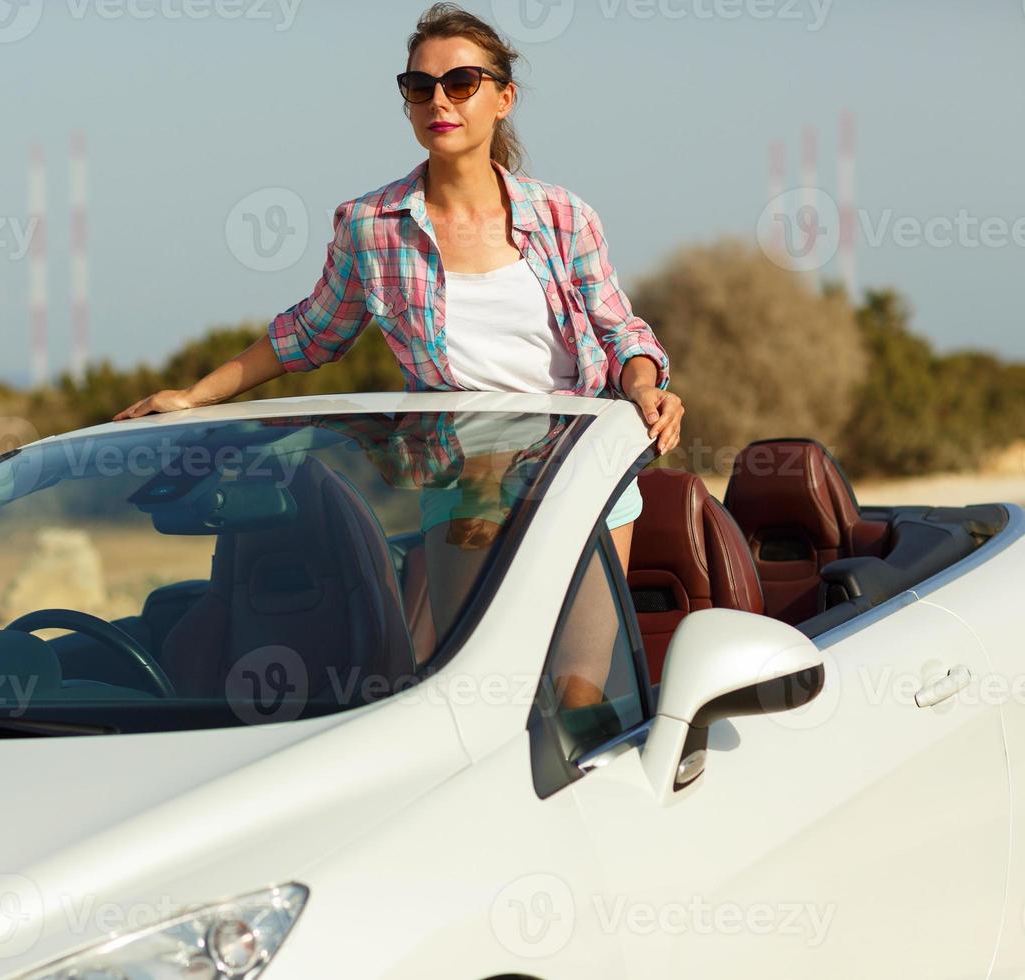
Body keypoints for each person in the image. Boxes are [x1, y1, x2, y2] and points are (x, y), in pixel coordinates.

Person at [117, 3, 686, 703]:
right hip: (464, 481)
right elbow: (308, 333)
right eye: (420, 87)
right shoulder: (371, 226)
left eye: (461, 82)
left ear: (503, 98)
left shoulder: (564, 216)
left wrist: (644, 384)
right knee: (480, 693)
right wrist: (196, 397)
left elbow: (619, 328)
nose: (438, 101)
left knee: (577, 696)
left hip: (580, 475)